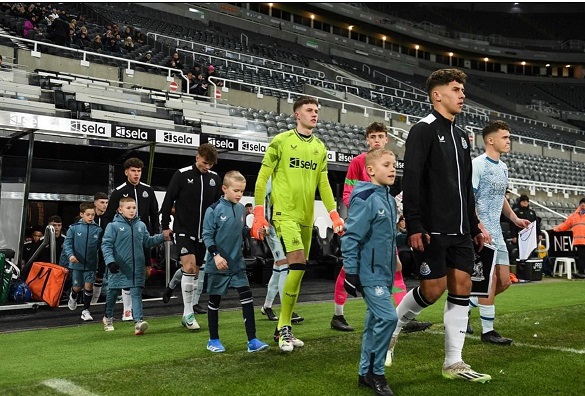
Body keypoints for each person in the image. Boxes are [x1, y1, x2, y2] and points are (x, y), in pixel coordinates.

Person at [386, 68, 491, 382]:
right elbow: (413, 180)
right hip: (431, 230)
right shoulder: (423, 129)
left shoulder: (462, 136)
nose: (462, 95)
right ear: (437, 94)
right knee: (432, 290)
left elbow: (465, 188)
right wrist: (415, 225)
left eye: (462, 90)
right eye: (456, 89)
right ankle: (391, 329)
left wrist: (474, 227)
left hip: (460, 232)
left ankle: (453, 362)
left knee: (462, 287)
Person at [252, 95, 345, 352]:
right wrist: (259, 213)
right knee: (297, 262)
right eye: (309, 110)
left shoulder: (320, 148)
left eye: (316, 110)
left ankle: (282, 327)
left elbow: (323, 184)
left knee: (299, 271)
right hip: (285, 216)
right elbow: (262, 179)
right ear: (297, 114)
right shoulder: (280, 142)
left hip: (306, 218)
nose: (314, 114)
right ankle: (284, 329)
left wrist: (334, 214)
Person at [332, 121, 432, 334]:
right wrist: (366, 212)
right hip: (365, 225)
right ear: (367, 140)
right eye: (373, 137)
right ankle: (338, 314)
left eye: (380, 136)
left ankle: (402, 316)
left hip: (382, 227)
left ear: (387, 139)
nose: (377, 140)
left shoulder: (389, 163)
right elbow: (348, 193)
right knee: (349, 267)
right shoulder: (359, 162)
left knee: (396, 267)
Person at [468, 120, 531, 344]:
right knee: (491, 279)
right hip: (482, 232)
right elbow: (469, 198)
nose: (508, 141)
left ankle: (465, 307)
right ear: (490, 140)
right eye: (505, 137)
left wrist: (514, 218)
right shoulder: (477, 164)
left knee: (504, 281)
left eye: (509, 137)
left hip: (498, 232)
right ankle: (488, 331)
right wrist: (478, 226)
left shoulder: (503, 167)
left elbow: (501, 197)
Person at [342, 148, 398, 396]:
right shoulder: (366, 198)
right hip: (369, 272)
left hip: (384, 272)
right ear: (371, 170)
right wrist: (351, 273)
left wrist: (394, 258)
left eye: (394, 164)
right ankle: (377, 373)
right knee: (388, 318)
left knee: (374, 322)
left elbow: (388, 235)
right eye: (387, 165)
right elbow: (351, 237)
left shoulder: (387, 196)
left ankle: (364, 373)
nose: (393, 169)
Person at [203, 171, 269, 353]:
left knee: (247, 298)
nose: (240, 194)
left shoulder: (241, 209)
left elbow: (243, 230)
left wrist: (256, 233)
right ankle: (213, 340)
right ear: (225, 189)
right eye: (236, 190)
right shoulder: (213, 210)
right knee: (214, 302)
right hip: (218, 265)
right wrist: (216, 255)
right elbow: (207, 236)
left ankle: (252, 340)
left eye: (242, 191)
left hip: (237, 264)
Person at [160, 144, 223, 329]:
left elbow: (217, 206)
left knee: (194, 270)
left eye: (210, 164)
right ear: (197, 158)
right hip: (183, 229)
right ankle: (188, 313)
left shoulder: (214, 178)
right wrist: (165, 225)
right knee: (188, 266)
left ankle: (171, 287)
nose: (207, 167)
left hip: (204, 233)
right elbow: (168, 200)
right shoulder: (182, 174)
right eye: (204, 163)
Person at [103, 157, 160, 322]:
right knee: (122, 278)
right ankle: (126, 311)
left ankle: (134, 315)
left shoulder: (148, 190)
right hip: (122, 241)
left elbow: (154, 214)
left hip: (143, 238)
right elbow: (108, 218)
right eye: (133, 171)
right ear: (126, 172)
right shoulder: (119, 192)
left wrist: (156, 233)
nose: (136, 174)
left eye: (139, 171)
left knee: (141, 275)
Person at [101, 196, 169, 334]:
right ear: (120, 210)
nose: (132, 210)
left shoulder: (141, 225)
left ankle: (138, 322)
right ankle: (107, 317)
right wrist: (110, 262)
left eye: (134, 208)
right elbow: (106, 245)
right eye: (128, 208)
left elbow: (147, 242)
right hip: (118, 267)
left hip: (136, 268)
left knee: (136, 293)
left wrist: (163, 237)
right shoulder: (112, 226)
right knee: (112, 294)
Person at [257, 178, 304, 327]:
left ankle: (267, 306)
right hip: (272, 229)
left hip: (287, 226)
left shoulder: (290, 175)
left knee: (279, 268)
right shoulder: (271, 177)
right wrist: (263, 223)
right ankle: (286, 310)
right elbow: (261, 198)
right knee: (285, 266)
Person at [60, 202, 103, 321]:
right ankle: (73, 295)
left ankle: (86, 310)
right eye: (88, 214)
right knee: (77, 287)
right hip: (77, 263)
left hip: (91, 263)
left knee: (89, 286)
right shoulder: (73, 228)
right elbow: (67, 244)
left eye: (92, 215)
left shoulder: (98, 230)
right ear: (81, 214)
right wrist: (71, 255)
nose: (90, 217)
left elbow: (101, 246)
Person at [552, 197, 585, 278]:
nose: (583, 205)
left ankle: (581, 272)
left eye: (584, 203)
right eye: (581, 203)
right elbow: (566, 225)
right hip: (579, 241)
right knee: (581, 257)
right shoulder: (573, 216)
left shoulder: (574, 215)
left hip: (580, 240)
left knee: (582, 257)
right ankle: (581, 272)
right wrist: (556, 229)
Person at [91, 192, 109, 304]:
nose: (105, 205)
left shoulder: (108, 219)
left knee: (100, 277)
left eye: (106, 203)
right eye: (102, 202)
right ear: (95, 203)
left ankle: (93, 304)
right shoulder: (88, 216)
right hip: (89, 252)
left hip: (103, 253)